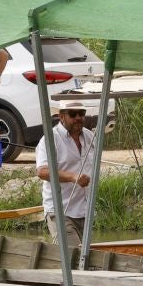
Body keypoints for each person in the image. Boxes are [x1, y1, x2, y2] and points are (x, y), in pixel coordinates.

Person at [34, 102, 97, 247]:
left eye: (81, 113)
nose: (78, 118)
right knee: (72, 256)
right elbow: (42, 171)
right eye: (73, 114)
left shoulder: (90, 136)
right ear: (62, 116)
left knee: (87, 258)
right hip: (60, 210)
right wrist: (73, 177)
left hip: (85, 211)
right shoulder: (50, 138)